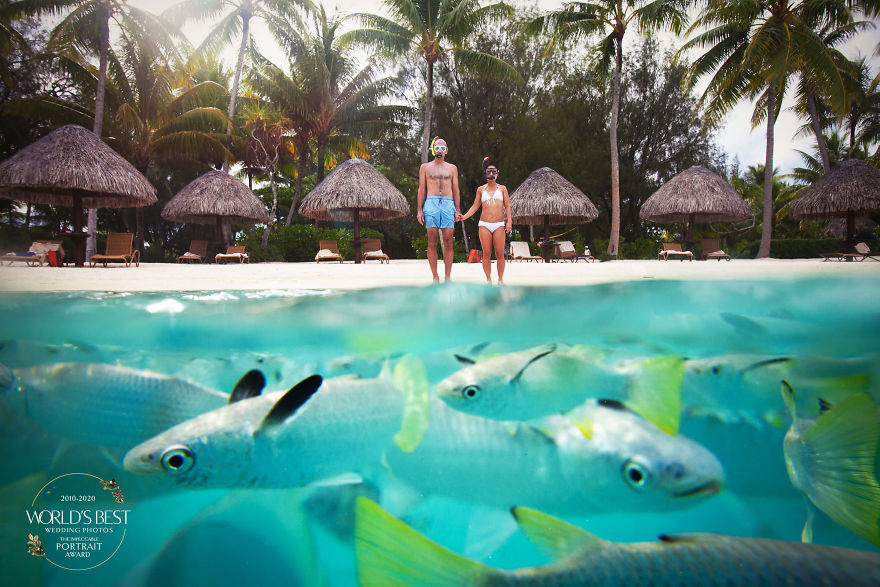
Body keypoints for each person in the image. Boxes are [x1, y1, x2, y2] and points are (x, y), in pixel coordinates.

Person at [461, 157, 512, 283]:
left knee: (500, 253)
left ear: (497, 174)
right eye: (488, 172)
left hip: (499, 224)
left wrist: (509, 221)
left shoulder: (502, 188)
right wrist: (464, 217)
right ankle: (488, 279)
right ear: (485, 174)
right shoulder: (480, 189)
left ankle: (500, 280)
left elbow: (507, 206)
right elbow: (475, 206)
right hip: (484, 224)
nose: (491, 174)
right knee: (486, 253)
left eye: (493, 172)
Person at [417, 137, 461, 282]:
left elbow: (456, 189)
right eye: (437, 147)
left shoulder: (452, 168)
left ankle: (447, 276)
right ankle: (435, 275)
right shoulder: (425, 167)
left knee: (448, 241)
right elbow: (421, 189)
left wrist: (457, 209)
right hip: (431, 203)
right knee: (432, 241)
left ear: (446, 151)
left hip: (448, 204)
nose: (439, 150)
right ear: (433, 150)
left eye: (442, 148)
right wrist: (419, 210)